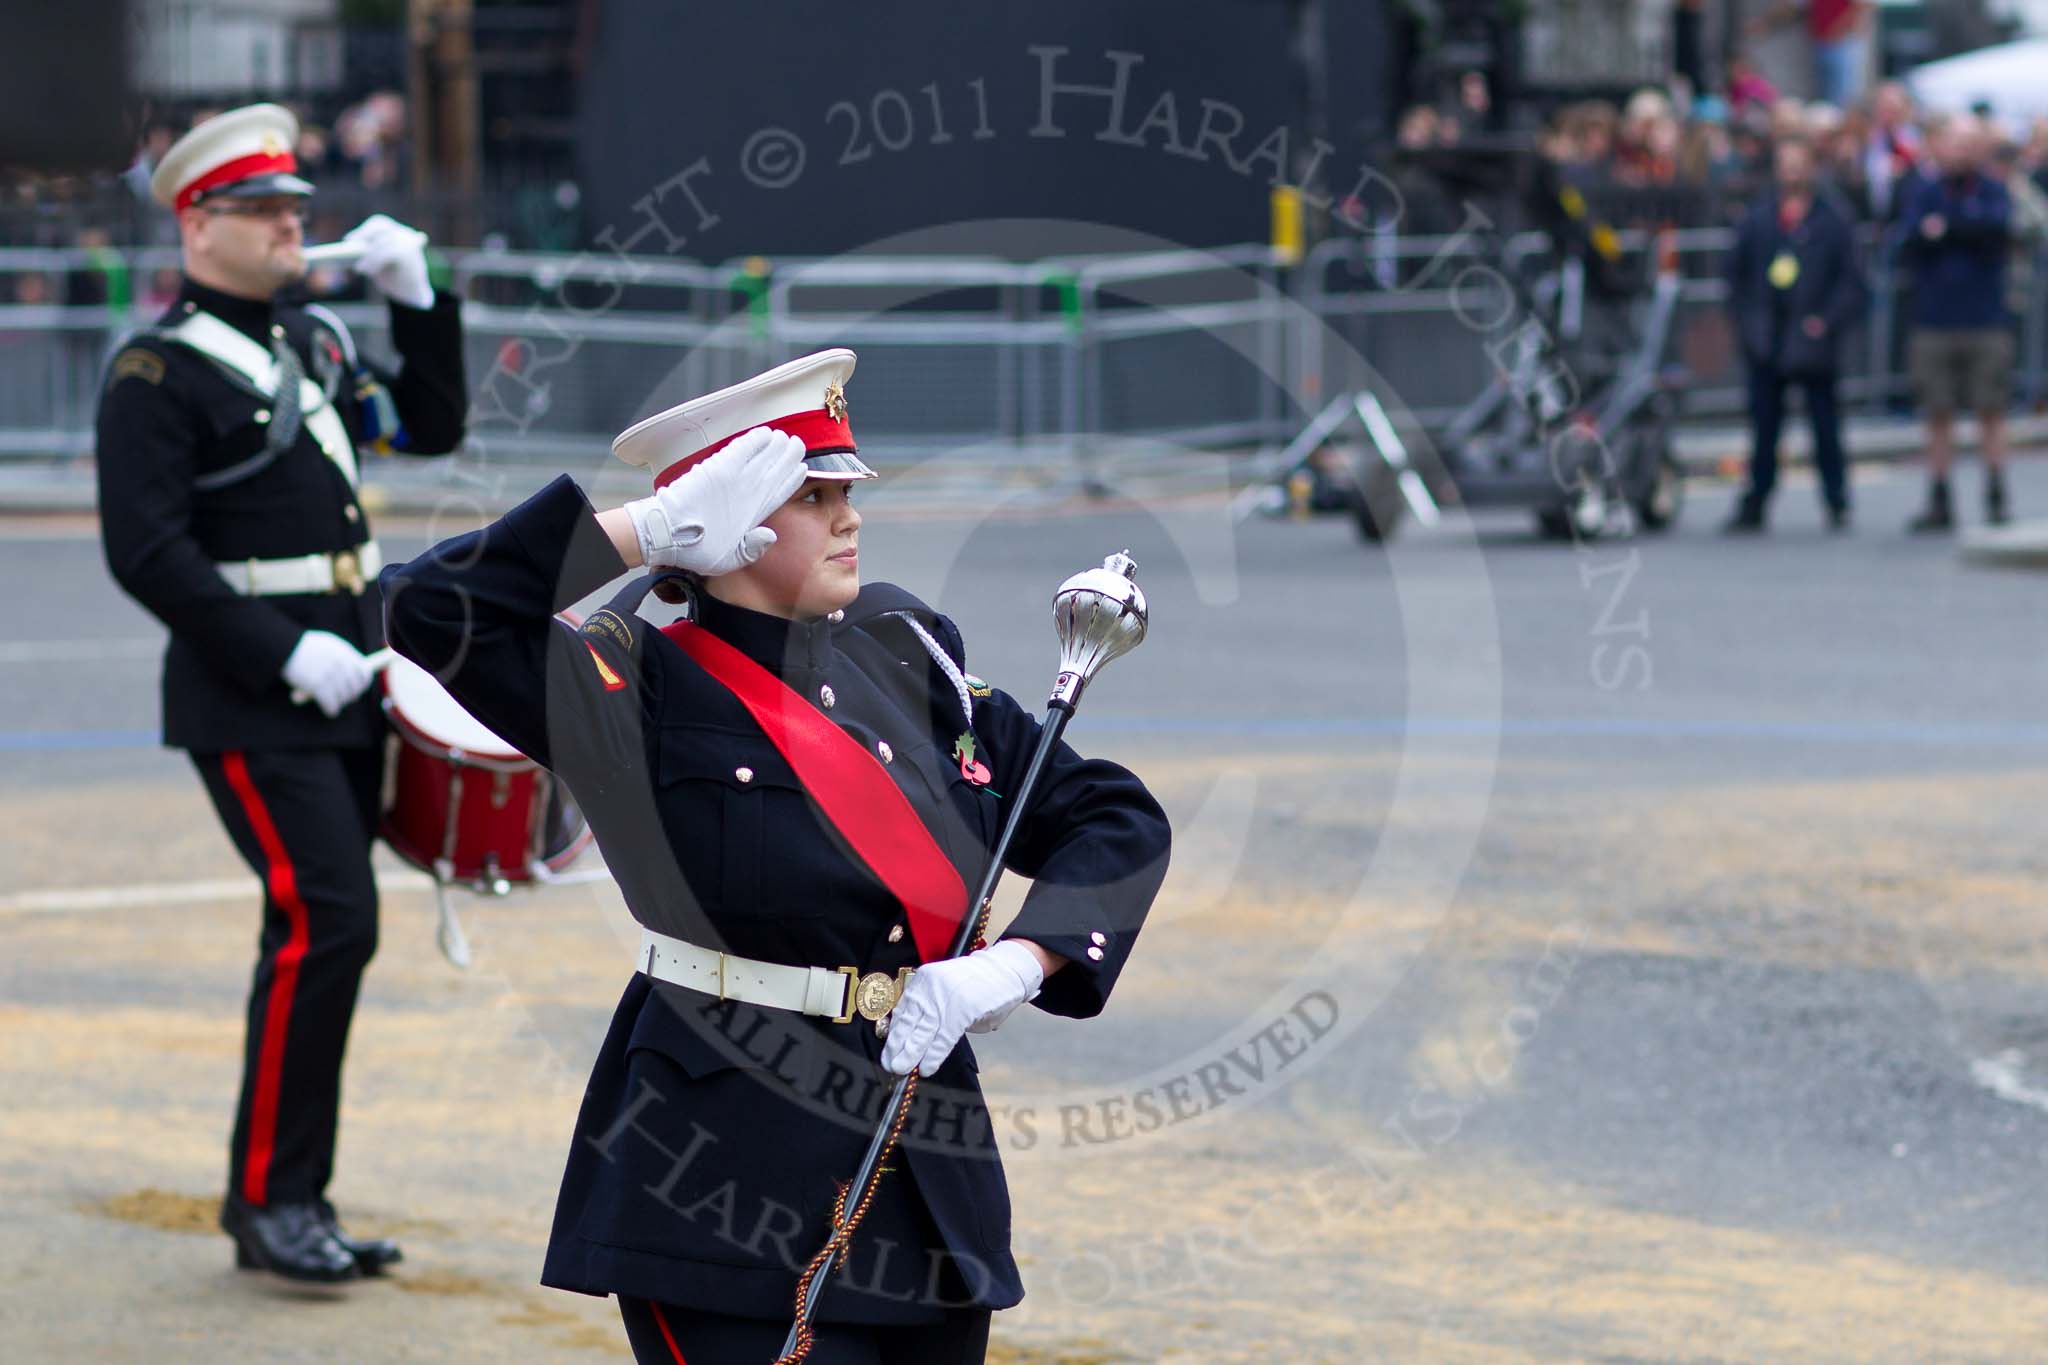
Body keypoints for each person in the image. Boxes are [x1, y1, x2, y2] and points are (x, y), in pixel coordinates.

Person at [381, 349, 1171, 1364]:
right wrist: (643, 531)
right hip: (721, 1179)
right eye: (811, 495)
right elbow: (427, 609)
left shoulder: (905, 656)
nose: (847, 515)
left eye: (846, 490)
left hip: (919, 1172)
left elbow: (1112, 815)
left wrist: (1018, 963)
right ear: (731, 517)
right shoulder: (635, 684)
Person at [93, 103, 467, 1282]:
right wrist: (276, 651)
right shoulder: (155, 370)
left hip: (349, 671)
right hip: (250, 688)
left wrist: (419, 299)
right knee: (330, 920)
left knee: (320, 932)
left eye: (299, 211)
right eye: (264, 212)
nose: (293, 230)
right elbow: (146, 551)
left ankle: (286, 1195)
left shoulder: (316, 340)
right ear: (199, 224)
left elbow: (432, 426)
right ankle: (269, 1201)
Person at [1723, 133, 1867, 533]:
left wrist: (1826, 322)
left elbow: (1852, 282)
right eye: (1785, 164)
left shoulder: (1833, 219)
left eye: (1798, 163)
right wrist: (1748, 323)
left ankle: (1836, 500)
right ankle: (1756, 500)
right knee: (1764, 427)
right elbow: (1735, 276)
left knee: (1825, 426)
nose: (1791, 172)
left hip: (1813, 339)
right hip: (1767, 339)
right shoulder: (1758, 218)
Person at [1899, 115, 2014, 531]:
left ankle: (1997, 492)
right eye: (1954, 142)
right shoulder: (1924, 190)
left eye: (1969, 143)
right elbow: (1910, 238)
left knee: (1991, 409)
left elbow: (1995, 232)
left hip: (1985, 319)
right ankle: (1939, 497)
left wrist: (1947, 229)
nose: (1961, 151)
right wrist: (1957, 230)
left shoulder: (1994, 190)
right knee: (1937, 412)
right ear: (1940, 146)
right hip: (1934, 319)